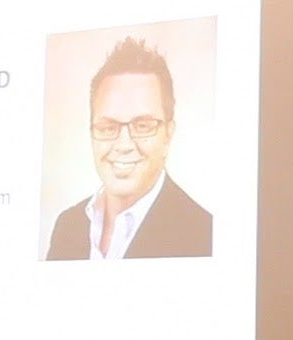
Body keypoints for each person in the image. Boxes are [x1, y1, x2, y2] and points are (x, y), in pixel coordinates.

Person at [45, 36, 212, 261]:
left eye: (142, 126)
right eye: (108, 127)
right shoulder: (68, 226)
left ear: (168, 135)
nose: (124, 145)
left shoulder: (203, 233)